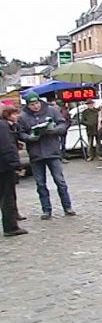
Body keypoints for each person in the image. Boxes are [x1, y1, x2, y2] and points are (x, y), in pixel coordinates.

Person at [17, 92, 76, 220]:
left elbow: (63, 124)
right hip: (36, 153)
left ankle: (67, 207)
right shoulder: (23, 117)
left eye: (37, 103)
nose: (35, 106)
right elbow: (20, 133)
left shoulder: (52, 111)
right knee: (40, 184)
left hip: (52, 151)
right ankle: (46, 210)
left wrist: (54, 130)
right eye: (32, 104)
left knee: (60, 181)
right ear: (28, 105)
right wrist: (29, 137)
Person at [0, 106, 28, 237]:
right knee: (8, 196)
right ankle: (10, 227)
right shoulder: (3, 127)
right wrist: (16, 165)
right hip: (4, 167)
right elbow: (7, 147)